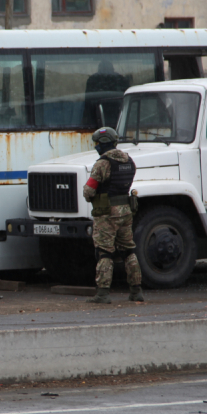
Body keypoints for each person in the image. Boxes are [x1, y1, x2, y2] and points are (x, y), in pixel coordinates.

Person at [82, 127, 144, 304]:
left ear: (102, 144)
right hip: (126, 211)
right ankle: (136, 291)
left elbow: (89, 191)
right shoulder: (129, 161)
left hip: (107, 214)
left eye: (96, 144)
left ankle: (102, 294)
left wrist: (91, 194)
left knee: (104, 252)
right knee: (129, 251)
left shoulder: (102, 163)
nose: (95, 147)